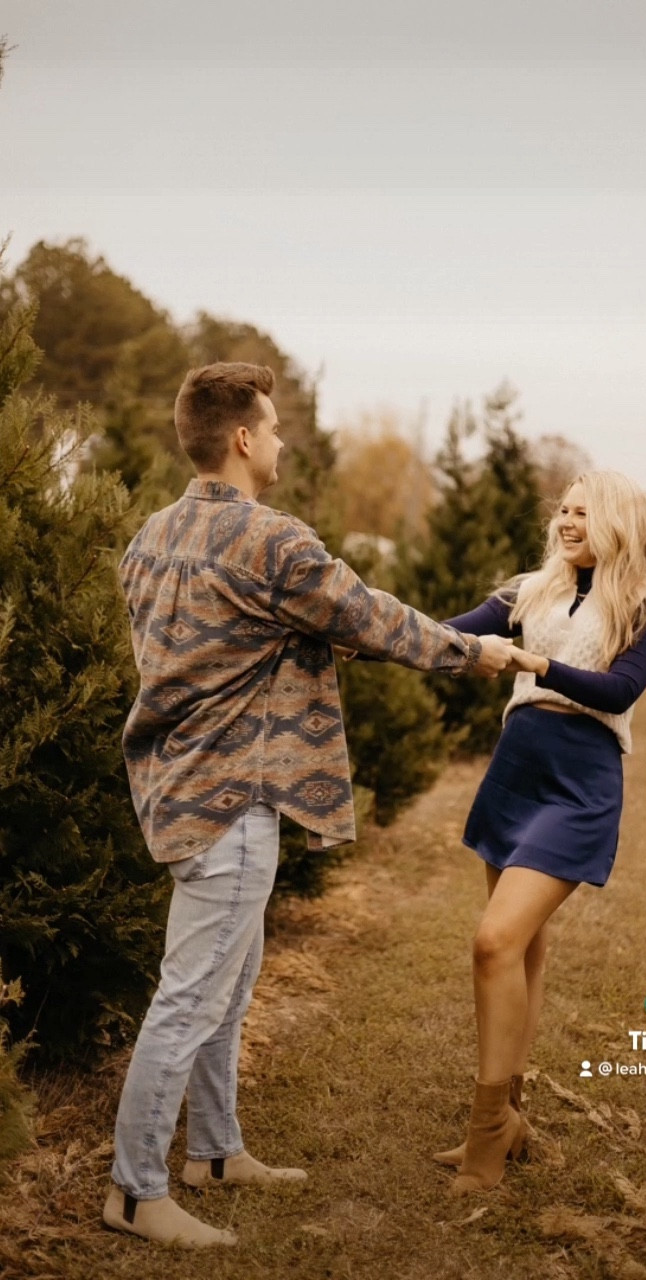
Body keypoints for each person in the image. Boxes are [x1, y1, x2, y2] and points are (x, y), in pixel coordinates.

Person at [102, 361, 514, 1247]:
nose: (283, 442)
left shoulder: (151, 534)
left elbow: (246, 632)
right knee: (190, 998)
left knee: (228, 986)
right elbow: (367, 615)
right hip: (232, 801)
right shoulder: (271, 541)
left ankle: (215, 1152)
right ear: (242, 438)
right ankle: (135, 1192)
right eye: (276, 427)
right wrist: (472, 653)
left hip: (174, 790)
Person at [431, 470, 646, 1195]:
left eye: (582, 513)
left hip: (579, 783)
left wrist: (535, 662)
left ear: (617, 522)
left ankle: (486, 1137)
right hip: (516, 772)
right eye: (563, 511)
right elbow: (452, 631)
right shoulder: (530, 589)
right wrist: (368, 634)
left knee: (493, 941)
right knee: (521, 950)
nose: (566, 522)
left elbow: (621, 688)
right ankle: (508, 1117)